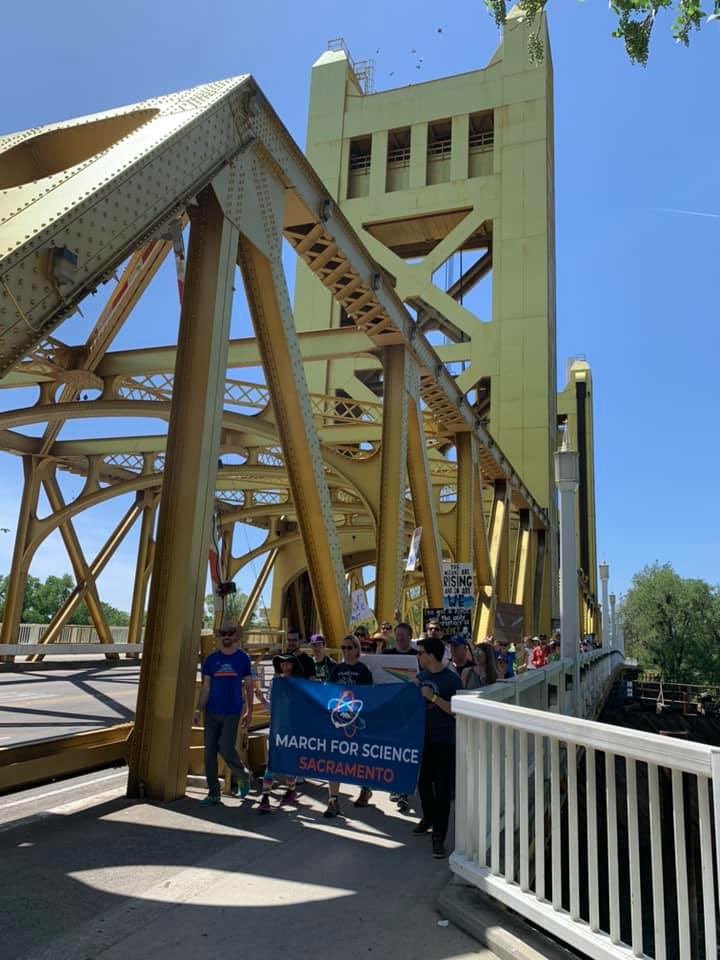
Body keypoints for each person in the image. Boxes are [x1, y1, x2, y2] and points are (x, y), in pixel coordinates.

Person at [413, 634, 462, 859]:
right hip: (423, 739)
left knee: (442, 790)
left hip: (444, 740)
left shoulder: (451, 679)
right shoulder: (421, 676)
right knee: (423, 783)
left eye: (421, 653)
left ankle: (439, 836)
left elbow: (456, 710)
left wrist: (433, 698)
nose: (418, 656)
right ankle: (429, 817)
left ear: (431, 655)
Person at [194, 625, 254, 806]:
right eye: (223, 634)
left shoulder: (243, 659)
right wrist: (198, 708)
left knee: (226, 749)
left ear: (236, 636)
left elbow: (249, 686)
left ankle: (243, 776)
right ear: (217, 636)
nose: (226, 637)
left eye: (230, 633)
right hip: (211, 711)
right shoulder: (211, 660)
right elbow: (206, 687)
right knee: (209, 752)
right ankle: (214, 793)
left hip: (232, 711)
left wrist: (249, 710)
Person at [325, 634, 374, 817]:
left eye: (349, 648)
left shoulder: (363, 671)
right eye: (343, 648)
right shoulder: (337, 669)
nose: (346, 651)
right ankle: (333, 800)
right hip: (338, 720)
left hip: (356, 720)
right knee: (334, 761)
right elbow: (327, 692)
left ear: (357, 650)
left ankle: (365, 788)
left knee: (360, 758)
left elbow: (369, 696)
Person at [258, 653, 302, 813]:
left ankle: (291, 789)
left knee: (290, 762)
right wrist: (263, 701)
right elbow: (271, 706)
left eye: (288, 663)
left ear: (292, 665)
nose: (285, 666)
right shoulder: (275, 683)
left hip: (292, 729)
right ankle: (265, 796)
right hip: (277, 728)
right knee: (272, 763)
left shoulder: (299, 684)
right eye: (282, 663)